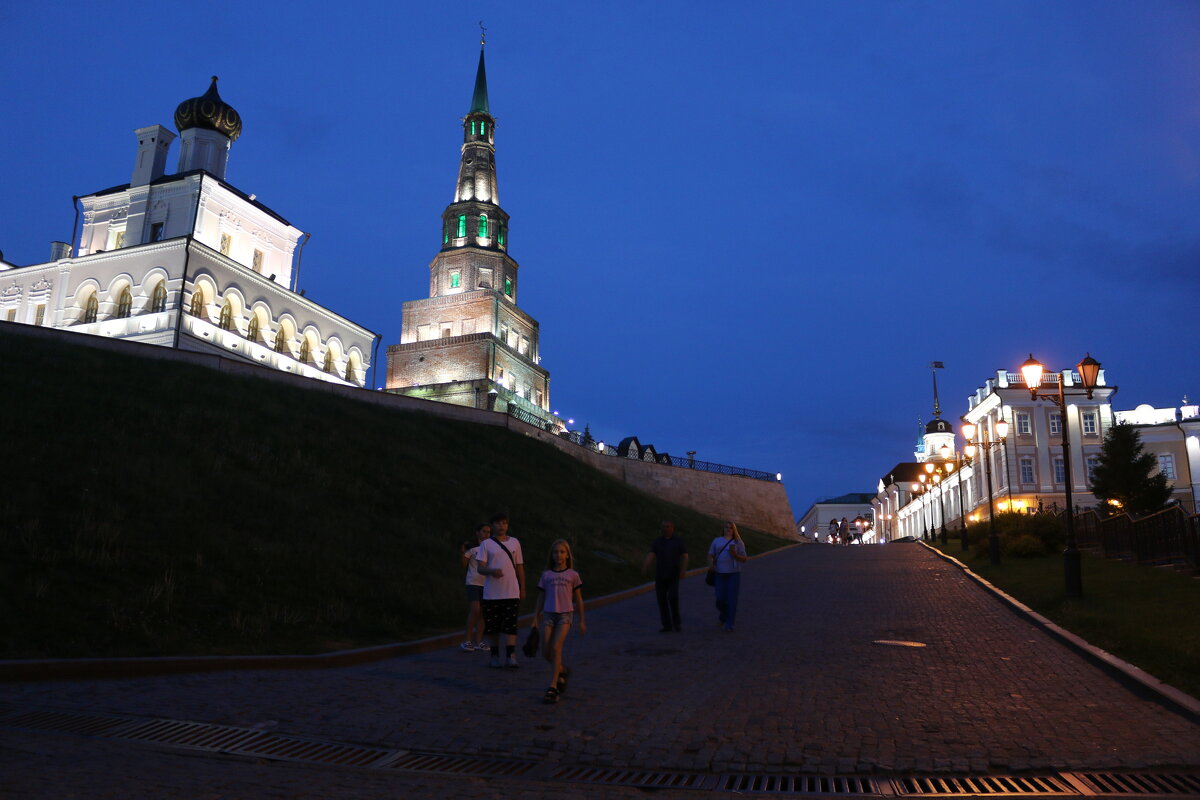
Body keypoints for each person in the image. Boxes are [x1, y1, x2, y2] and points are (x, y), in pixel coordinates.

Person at [533, 539, 586, 704]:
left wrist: (582, 620)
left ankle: (553, 686)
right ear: (552, 555)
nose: (559, 555)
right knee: (546, 652)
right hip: (549, 615)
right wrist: (535, 617)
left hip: (565, 616)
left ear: (567, 555)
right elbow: (540, 597)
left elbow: (578, 599)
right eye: (556, 552)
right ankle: (562, 670)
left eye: (562, 552)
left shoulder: (573, 575)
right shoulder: (546, 575)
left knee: (556, 648)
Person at [474, 512, 525, 668]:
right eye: (498, 523)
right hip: (492, 593)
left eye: (504, 523)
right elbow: (480, 569)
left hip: (511, 591)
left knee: (511, 625)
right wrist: (492, 571)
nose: (501, 526)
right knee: (493, 626)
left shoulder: (515, 542)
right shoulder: (486, 544)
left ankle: (511, 655)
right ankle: (495, 655)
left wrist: (522, 588)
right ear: (492, 525)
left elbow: (520, 567)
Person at [643, 520, 688, 632]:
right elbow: (651, 554)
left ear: (673, 528)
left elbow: (685, 556)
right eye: (663, 527)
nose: (665, 529)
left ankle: (677, 623)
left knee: (673, 598)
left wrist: (683, 570)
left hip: (673, 574)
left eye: (668, 526)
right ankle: (666, 625)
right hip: (660, 575)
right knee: (661, 600)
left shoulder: (678, 541)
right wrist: (646, 565)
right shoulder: (657, 542)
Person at [707, 521, 748, 632]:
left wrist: (735, 555)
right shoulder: (717, 541)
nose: (728, 529)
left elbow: (744, 559)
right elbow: (710, 555)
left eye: (731, 527)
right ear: (723, 529)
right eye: (726, 527)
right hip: (719, 574)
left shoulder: (738, 542)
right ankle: (723, 615)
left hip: (733, 574)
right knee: (720, 599)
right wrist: (711, 565)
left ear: (734, 530)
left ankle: (730, 623)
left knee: (732, 600)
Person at [460, 523, 491, 652]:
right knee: (475, 610)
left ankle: (478, 641)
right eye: (484, 531)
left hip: (487, 584)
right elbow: (463, 565)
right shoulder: (472, 549)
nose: (486, 534)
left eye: (488, 532)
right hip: (473, 582)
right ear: (477, 532)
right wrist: (463, 552)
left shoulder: (491, 548)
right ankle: (467, 640)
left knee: (483, 613)